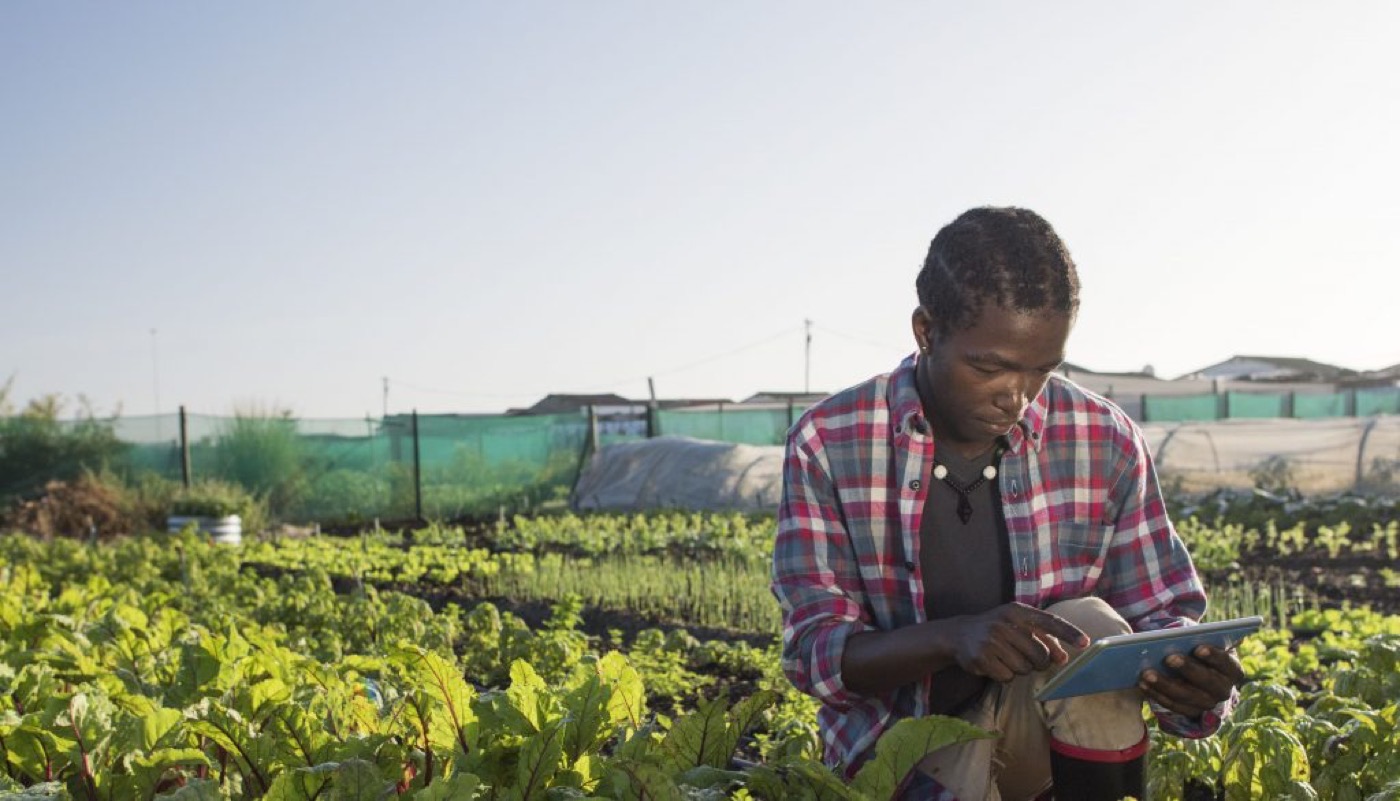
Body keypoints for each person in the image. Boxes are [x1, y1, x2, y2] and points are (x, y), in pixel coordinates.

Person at [771, 207, 1243, 801]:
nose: (1016, 398)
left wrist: (1191, 680)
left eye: (1041, 370)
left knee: (1091, 628)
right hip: (898, 761)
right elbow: (816, 656)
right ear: (926, 331)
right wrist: (953, 638)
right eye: (989, 367)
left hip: (1036, 754)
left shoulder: (1105, 438)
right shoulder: (830, 441)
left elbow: (1160, 614)